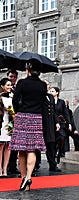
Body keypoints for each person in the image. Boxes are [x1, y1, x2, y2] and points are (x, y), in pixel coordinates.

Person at [9, 59, 47, 191]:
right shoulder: (43, 85)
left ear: (28, 69)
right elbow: (43, 103)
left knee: (21, 149)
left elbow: (15, 100)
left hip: (22, 116)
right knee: (32, 149)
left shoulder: (22, 83)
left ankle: (23, 177)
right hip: (36, 117)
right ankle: (29, 177)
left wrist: (19, 109)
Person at [42, 80, 61, 172]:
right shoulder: (39, 96)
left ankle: (53, 165)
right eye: (45, 84)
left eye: (48, 84)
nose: (47, 86)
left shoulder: (50, 97)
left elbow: (53, 111)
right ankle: (35, 165)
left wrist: (57, 122)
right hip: (42, 122)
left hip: (51, 123)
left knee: (51, 144)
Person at [49, 87, 71, 165]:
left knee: (62, 138)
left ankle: (59, 153)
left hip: (61, 123)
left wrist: (69, 123)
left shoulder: (61, 102)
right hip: (52, 123)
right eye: (50, 91)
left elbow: (66, 113)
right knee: (53, 142)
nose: (50, 92)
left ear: (57, 93)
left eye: (52, 91)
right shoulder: (49, 101)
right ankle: (53, 157)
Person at [6, 69, 19, 175]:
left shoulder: (17, 90)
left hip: (15, 120)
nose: (12, 78)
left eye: (14, 77)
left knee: (14, 144)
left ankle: (12, 166)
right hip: (5, 120)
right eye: (11, 76)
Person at [0, 78, 13, 177]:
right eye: (8, 85)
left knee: (8, 146)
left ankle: (5, 169)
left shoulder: (12, 96)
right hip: (1, 122)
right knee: (0, 146)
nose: (10, 87)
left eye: (10, 85)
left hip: (9, 123)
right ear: (2, 86)